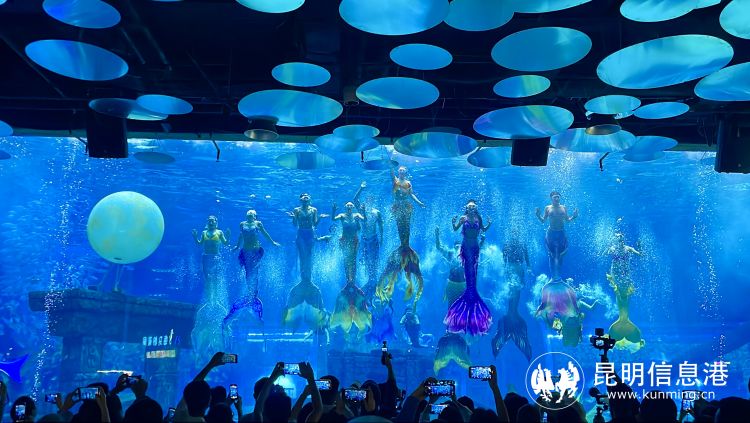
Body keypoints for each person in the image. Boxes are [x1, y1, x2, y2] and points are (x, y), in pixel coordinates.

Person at [377, 165, 426, 304]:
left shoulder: (408, 183)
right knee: (401, 228)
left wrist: (419, 203)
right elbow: (390, 173)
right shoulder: (395, 180)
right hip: (398, 207)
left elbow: (411, 195)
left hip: (406, 206)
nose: (402, 172)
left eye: (404, 171)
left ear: (406, 172)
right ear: (398, 172)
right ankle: (404, 249)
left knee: (407, 229)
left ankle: (405, 248)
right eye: (400, 170)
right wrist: (390, 162)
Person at [444, 200, 492, 336]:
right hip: (465, 247)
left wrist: (489, 224)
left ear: (476, 208)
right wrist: (453, 222)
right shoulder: (463, 218)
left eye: (473, 206)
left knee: (473, 277)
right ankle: (467, 306)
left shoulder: (478, 218)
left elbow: (483, 229)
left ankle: (472, 303)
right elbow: (455, 229)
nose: (471, 208)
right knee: (468, 275)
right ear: (466, 208)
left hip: (475, 247)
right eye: (469, 206)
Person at [223, 210, 280, 325]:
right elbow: (241, 236)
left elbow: (264, 233)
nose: (250, 213)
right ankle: (250, 296)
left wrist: (273, 242)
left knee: (254, 273)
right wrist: (237, 247)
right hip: (245, 252)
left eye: (252, 213)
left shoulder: (258, 224)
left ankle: (253, 296)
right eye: (248, 212)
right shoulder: (242, 224)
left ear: (255, 216)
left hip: (255, 251)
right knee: (248, 273)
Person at [283, 193, 329, 330]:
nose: (305, 198)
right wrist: (293, 218)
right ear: (300, 199)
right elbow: (295, 224)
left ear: (309, 199)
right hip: (301, 234)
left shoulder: (314, 210)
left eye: (307, 197)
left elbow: (314, 224)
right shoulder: (297, 210)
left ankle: (307, 279)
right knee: (303, 255)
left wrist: (320, 218)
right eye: (303, 197)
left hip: (310, 233)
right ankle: (304, 278)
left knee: (309, 256)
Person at [329, 201, 372, 336]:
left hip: (353, 240)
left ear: (353, 208)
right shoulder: (342, 216)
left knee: (352, 261)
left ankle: (351, 281)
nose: (349, 207)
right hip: (345, 240)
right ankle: (349, 281)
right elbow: (333, 219)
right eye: (347, 205)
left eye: (350, 206)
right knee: (346, 261)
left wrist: (363, 211)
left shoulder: (357, 215)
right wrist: (333, 210)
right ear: (345, 207)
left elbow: (365, 220)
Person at [493, 233, 532, 361]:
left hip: (515, 267)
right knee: (514, 289)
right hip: (513, 267)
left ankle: (511, 321)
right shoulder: (510, 244)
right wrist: (505, 267)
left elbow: (524, 254)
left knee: (515, 289)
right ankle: (511, 321)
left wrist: (528, 267)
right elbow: (504, 256)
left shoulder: (518, 244)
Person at [606, 232, 644, 351]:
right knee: (620, 292)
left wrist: (640, 248)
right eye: (618, 238)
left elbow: (640, 254)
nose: (620, 239)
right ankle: (623, 319)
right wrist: (606, 248)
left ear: (623, 239)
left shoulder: (628, 248)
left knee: (624, 293)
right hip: (616, 274)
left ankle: (623, 319)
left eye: (621, 237)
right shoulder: (613, 248)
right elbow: (604, 253)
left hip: (625, 274)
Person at [535, 277, 596, 347]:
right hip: (570, 323)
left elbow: (590, 308)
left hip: (573, 323)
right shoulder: (568, 303)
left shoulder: (577, 303)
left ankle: (567, 334)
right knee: (568, 340)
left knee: (571, 340)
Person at [535, 191, 578, 279]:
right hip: (551, 233)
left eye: (558, 197)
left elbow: (567, 220)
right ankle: (553, 276)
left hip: (561, 232)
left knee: (561, 254)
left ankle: (558, 275)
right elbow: (543, 221)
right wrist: (538, 215)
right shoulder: (548, 208)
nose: (557, 198)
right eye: (555, 197)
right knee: (551, 254)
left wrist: (574, 216)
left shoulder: (564, 207)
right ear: (551, 198)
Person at [352, 181, 384, 296]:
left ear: (373, 201)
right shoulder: (361, 210)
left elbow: (381, 225)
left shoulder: (376, 212)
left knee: (374, 259)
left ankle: (374, 282)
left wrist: (382, 237)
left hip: (374, 239)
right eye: (367, 200)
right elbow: (355, 200)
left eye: (371, 200)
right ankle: (370, 282)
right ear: (365, 201)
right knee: (366, 260)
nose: (369, 201)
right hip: (365, 239)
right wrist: (361, 188)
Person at [192, 216, 231, 302]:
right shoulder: (204, 232)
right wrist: (195, 237)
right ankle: (209, 297)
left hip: (216, 257)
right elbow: (199, 243)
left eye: (212, 221)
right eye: (209, 221)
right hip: (206, 257)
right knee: (207, 278)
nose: (211, 222)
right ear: (207, 222)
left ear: (216, 222)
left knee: (216, 277)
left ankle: (216, 298)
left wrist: (228, 236)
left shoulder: (219, 232)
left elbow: (225, 243)